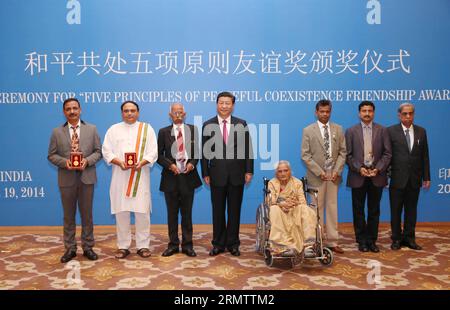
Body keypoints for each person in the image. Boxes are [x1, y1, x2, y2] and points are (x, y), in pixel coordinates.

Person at [48, 98, 102, 263]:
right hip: (67, 179)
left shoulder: (91, 129)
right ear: (64, 112)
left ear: (80, 110)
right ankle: (70, 248)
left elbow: (98, 152)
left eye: (75, 108)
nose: (72, 111)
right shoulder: (57, 132)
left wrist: (87, 161)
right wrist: (66, 163)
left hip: (87, 178)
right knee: (68, 216)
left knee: (87, 215)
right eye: (68, 109)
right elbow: (51, 155)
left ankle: (88, 247)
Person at [102, 101, 157, 259]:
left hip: (140, 176)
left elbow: (153, 152)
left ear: (138, 112)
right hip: (120, 176)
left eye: (133, 110)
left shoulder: (147, 129)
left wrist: (142, 162)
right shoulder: (113, 129)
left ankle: (143, 246)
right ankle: (123, 246)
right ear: (122, 113)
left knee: (142, 212)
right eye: (126, 111)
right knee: (122, 212)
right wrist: (119, 162)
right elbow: (106, 151)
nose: (129, 113)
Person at [201, 91, 254, 256]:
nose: (224, 106)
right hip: (216, 174)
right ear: (217, 104)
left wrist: (249, 170)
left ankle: (233, 243)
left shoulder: (241, 123)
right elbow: (204, 152)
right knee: (217, 211)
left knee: (234, 210)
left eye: (227, 103)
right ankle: (218, 243)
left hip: (237, 174)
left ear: (233, 105)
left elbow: (248, 148)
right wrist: (205, 173)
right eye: (221, 103)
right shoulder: (208, 124)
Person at [301, 99, 347, 254]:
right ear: (316, 112)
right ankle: (315, 241)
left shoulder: (338, 129)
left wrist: (337, 171)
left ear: (330, 112)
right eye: (322, 111)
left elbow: (343, 152)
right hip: (317, 177)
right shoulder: (308, 130)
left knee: (332, 208)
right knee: (315, 210)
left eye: (327, 111)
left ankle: (333, 241)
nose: (325, 114)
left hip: (333, 177)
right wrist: (320, 172)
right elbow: (305, 156)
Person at [345, 101, 392, 253]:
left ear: (374, 113)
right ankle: (361, 240)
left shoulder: (382, 130)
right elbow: (348, 155)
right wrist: (360, 169)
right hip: (358, 176)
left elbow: (387, 153)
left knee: (374, 210)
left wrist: (378, 169)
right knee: (358, 210)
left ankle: (372, 240)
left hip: (376, 176)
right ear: (359, 113)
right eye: (364, 111)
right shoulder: (351, 131)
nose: (367, 113)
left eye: (370, 111)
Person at [157, 103, 202, 257]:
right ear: (170, 115)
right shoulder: (163, 132)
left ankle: (188, 245)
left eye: (180, 112)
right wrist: (170, 166)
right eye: (175, 112)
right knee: (172, 213)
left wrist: (192, 164)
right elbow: (158, 155)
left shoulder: (193, 130)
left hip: (188, 177)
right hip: (171, 178)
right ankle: (173, 244)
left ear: (185, 114)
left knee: (187, 213)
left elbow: (197, 153)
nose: (178, 114)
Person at [388, 103, 430, 251]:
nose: (408, 116)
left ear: (413, 114)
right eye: (405, 114)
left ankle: (409, 238)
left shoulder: (421, 132)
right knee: (396, 211)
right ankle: (396, 239)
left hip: (414, 179)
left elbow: (425, 156)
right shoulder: (391, 131)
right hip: (396, 179)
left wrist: (426, 177)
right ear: (399, 115)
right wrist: (387, 177)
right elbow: (387, 156)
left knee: (411, 210)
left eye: (410, 113)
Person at [267, 161, 316, 256]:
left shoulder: (297, 182)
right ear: (276, 173)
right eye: (280, 171)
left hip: (295, 208)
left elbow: (302, 201)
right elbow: (270, 200)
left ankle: (308, 246)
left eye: (285, 170)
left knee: (306, 209)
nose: (283, 173)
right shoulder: (272, 183)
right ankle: (283, 246)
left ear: (290, 171)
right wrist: (281, 204)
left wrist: (294, 203)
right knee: (273, 210)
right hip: (279, 209)